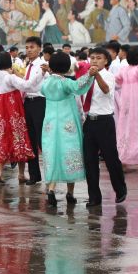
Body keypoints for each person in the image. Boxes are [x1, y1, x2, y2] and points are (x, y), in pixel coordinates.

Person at [40, 52, 97, 206]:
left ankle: (51, 189)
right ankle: (70, 193)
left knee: (53, 152)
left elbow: (42, 91)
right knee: (70, 152)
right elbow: (78, 86)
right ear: (67, 67)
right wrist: (90, 75)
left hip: (50, 123)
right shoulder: (65, 83)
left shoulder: (46, 83)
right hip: (67, 123)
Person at [0, 51, 43, 183]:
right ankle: (20, 174)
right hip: (13, 108)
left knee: (2, 135)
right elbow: (27, 86)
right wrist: (40, 74)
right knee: (19, 137)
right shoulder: (10, 77)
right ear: (9, 62)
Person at [82, 48, 127, 207]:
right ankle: (94, 196)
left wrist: (97, 75)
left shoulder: (109, 76)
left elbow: (106, 90)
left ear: (106, 61)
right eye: (92, 58)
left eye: (98, 58)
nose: (94, 61)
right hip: (89, 121)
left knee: (110, 158)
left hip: (104, 121)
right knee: (89, 161)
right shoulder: (86, 76)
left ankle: (120, 189)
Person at [22, 37, 48, 185]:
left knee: (41, 140)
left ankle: (50, 174)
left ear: (39, 48)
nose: (29, 50)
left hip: (40, 103)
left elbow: (30, 85)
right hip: (28, 103)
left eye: (31, 47)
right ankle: (34, 175)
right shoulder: (28, 65)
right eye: (27, 47)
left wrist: (13, 79)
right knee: (30, 139)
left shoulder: (43, 66)